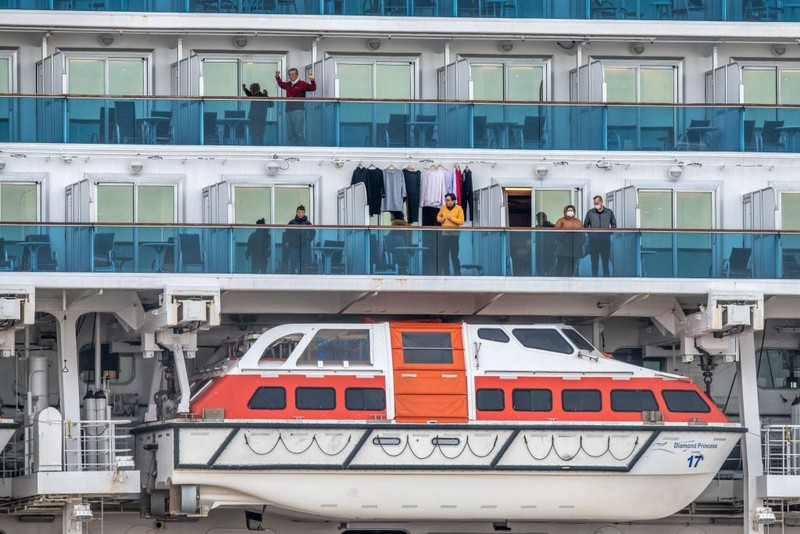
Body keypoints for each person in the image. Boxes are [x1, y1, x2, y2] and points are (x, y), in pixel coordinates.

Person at [275, 68, 316, 145]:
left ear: (297, 75)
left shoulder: (302, 84)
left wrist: (312, 80)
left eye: (293, 74)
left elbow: (313, 88)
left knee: (298, 133)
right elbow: (281, 84)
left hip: (298, 111)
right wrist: (277, 77)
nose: (291, 76)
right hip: (288, 111)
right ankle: (293, 150)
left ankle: (302, 151)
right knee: (290, 133)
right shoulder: (288, 85)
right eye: (289, 75)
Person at [583, 195, 617, 277]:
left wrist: (609, 233)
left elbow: (614, 224)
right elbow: (585, 224)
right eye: (594, 203)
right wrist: (590, 233)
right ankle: (594, 278)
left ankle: (606, 279)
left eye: (597, 203)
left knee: (605, 261)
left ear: (601, 202)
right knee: (594, 261)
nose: (596, 205)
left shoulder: (609, 212)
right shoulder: (590, 212)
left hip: (605, 241)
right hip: (594, 241)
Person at [436, 193, 465, 275]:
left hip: (454, 235)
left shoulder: (459, 208)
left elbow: (461, 221)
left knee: (454, 256)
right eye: (445, 200)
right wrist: (440, 219)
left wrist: (451, 218)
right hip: (444, 235)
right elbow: (438, 216)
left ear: (453, 200)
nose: (446, 202)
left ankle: (457, 273)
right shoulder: (443, 208)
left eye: (448, 200)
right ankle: (446, 273)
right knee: (444, 255)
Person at [284, 205, 315, 274]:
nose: (300, 213)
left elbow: (313, 232)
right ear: (297, 213)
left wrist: (308, 240)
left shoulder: (307, 223)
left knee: (303, 261)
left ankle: (302, 275)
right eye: (299, 212)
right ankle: (293, 275)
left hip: (303, 245)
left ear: (304, 213)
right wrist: (287, 241)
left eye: (302, 212)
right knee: (293, 261)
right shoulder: (292, 222)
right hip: (294, 245)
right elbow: (287, 233)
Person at [554, 205, 583, 276]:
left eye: (572, 210)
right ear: (565, 212)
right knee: (561, 265)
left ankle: (570, 280)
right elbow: (556, 232)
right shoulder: (561, 221)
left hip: (575, 248)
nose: (570, 212)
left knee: (572, 266)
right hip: (563, 247)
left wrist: (580, 243)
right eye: (568, 210)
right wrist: (565, 239)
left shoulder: (578, 221)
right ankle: (558, 281)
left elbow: (582, 233)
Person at [534, 211, 555, 275]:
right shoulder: (553, 226)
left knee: (541, 269)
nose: (537, 220)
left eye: (538, 219)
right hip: (549, 250)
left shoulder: (538, 227)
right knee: (549, 268)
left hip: (543, 250)